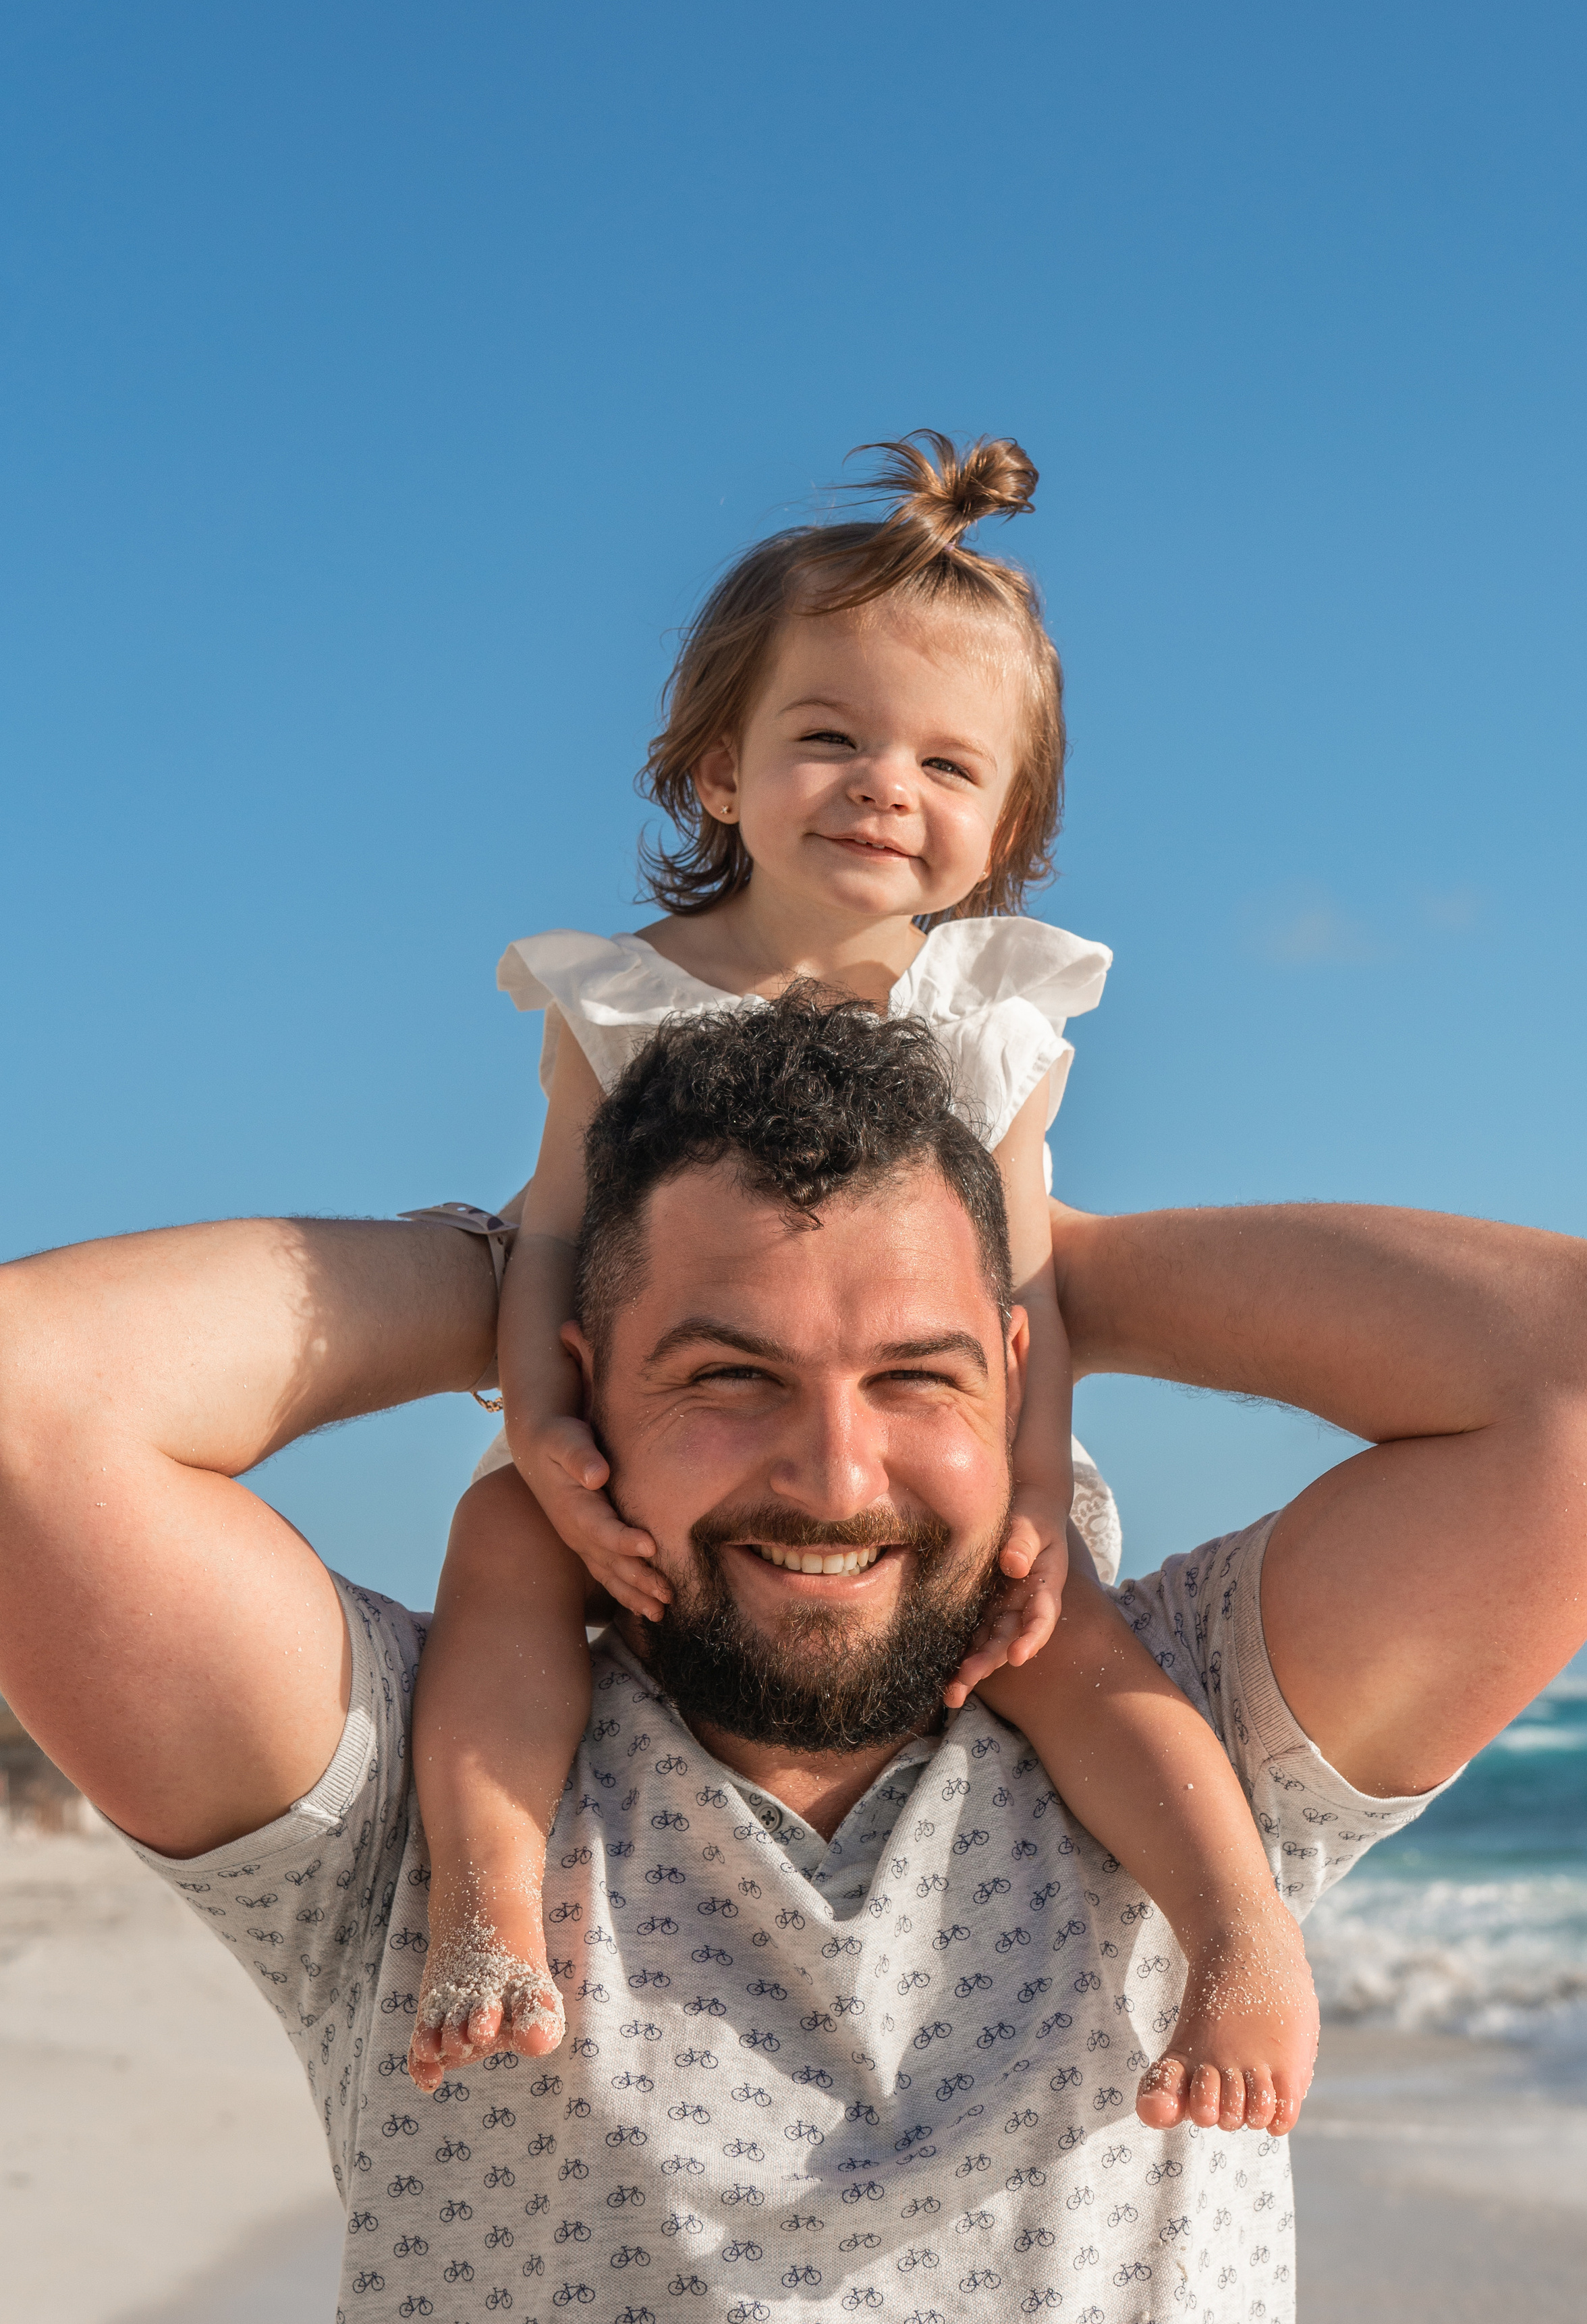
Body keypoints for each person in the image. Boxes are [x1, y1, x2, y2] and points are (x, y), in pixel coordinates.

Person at [0, 993, 1587, 2324]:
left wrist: (1048, 1261)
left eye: (919, 1376)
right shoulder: (422, 1801)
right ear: (588, 1394)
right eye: (724, 1376)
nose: (834, 1477)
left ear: (1019, 1380)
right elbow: (28, 1399)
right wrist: (514, 1284)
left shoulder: (1180, 1717)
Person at [409, 430, 1319, 2136]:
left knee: (1067, 1644)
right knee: (494, 1563)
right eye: (827, 737)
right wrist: (539, 1428)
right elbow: (545, 1235)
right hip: (640, 1443)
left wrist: (1031, 1492)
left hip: (931, 1463)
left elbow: (1027, 1293)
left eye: (946, 765)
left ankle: (1233, 1925)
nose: (883, 784)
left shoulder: (993, 1017)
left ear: (1005, 827)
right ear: (714, 774)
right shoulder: (620, 997)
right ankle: (484, 1896)